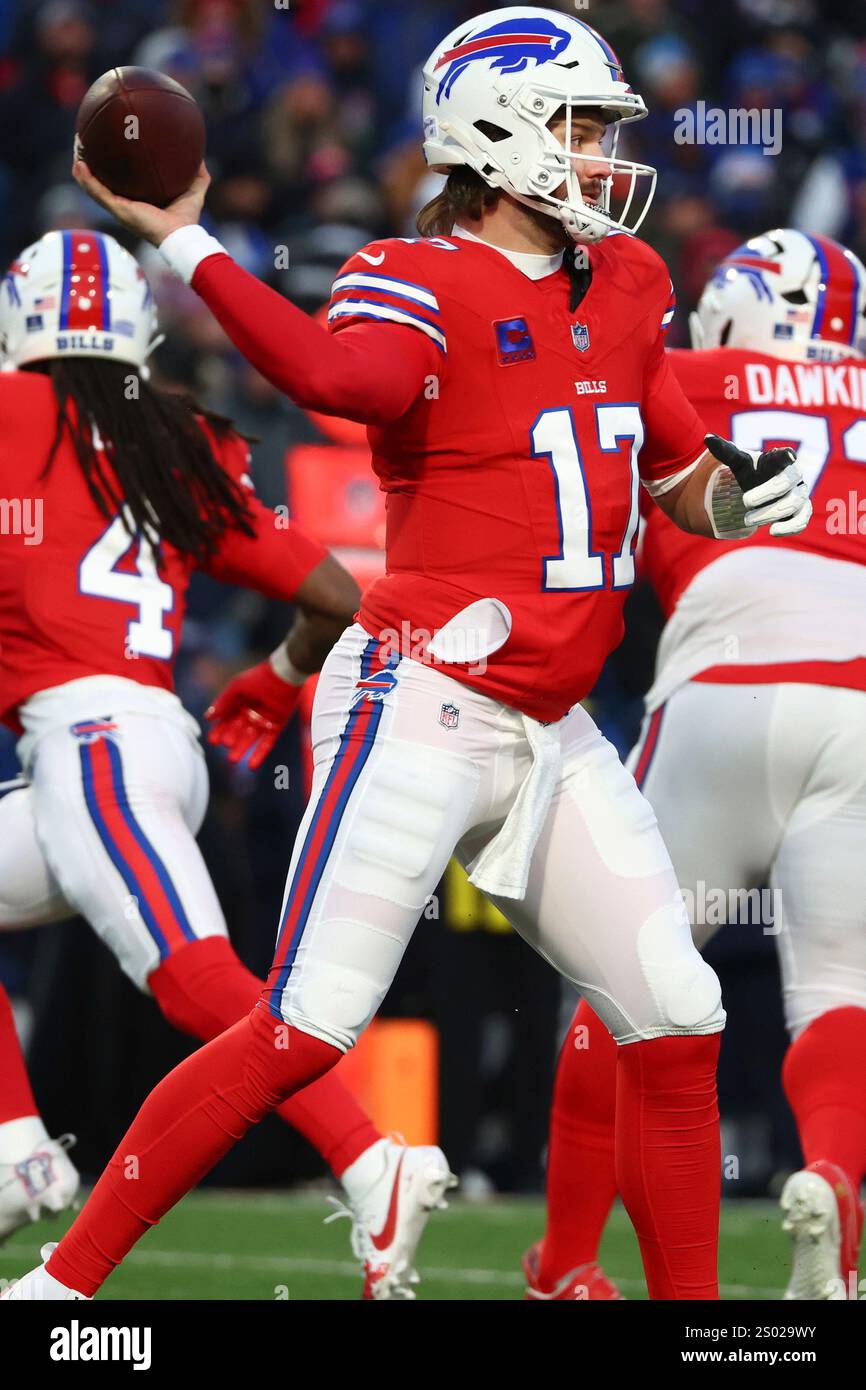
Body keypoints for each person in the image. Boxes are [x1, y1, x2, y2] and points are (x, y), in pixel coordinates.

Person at [4, 6, 811, 1302]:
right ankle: (62, 1283)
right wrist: (187, 240)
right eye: (581, 126)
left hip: (554, 722)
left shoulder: (629, 281)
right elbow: (337, 379)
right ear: (493, 132)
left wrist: (735, 496)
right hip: (419, 695)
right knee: (301, 1025)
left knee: (677, 1012)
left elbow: (671, 470)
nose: (606, 157)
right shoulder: (416, 274)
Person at [0, 228, 454, 1300]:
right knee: (196, 973)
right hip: (148, 737)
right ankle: (18, 1146)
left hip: (95, 744)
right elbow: (336, 593)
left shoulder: (13, 414)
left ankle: (368, 1155)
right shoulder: (173, 435)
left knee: (197, 978)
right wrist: (278, 676)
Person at [527, 229, 866, 1302]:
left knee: (620, 982)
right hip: (857, 689)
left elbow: (572, 507)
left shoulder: (672, 370)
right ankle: (829, 1176)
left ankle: (568, 1263)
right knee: (839, 992)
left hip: (724, 672)